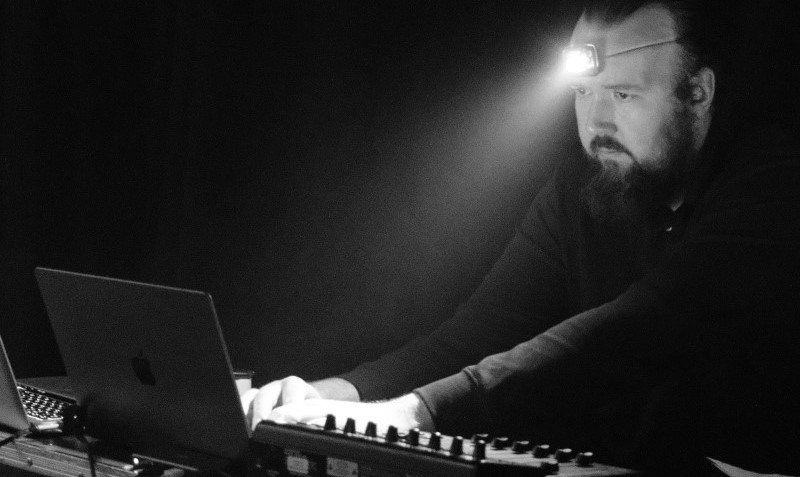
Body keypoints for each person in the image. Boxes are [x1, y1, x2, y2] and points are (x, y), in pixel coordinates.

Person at [242, 1, 800, 475]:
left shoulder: (774, 185)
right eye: (584, 92)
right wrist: (335, 397)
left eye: (624, 96)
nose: (596, 121)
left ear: (698, 92)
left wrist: (418, 412)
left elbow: (633, 328)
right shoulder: (583, 187)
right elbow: (476, 333)